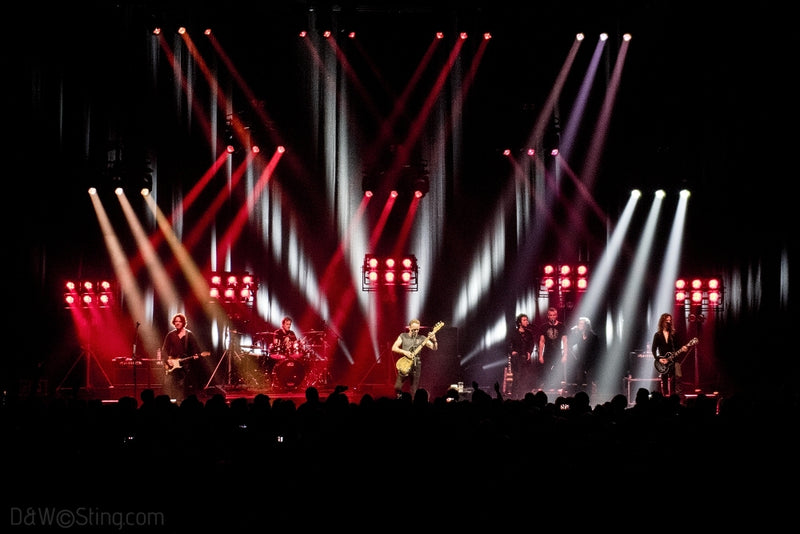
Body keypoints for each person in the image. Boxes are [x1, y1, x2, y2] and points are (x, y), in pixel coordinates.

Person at [160, 313, 206, 403]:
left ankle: (181, 403)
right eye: (176, 321)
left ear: (183, 323)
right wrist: (168, 360)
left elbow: (195, 349)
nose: (177, 323)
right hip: (172, 364)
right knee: (169, 384)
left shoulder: (189, 335)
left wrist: (196, 355)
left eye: (179, 321)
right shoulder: (170, 335)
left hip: (185, 365)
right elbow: (164, 350)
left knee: (182, 385)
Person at [392, 319, 438, 398]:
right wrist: (405, 352)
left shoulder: (422, 338)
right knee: (397, 387)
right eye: (414, 329)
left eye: (417, 329)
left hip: (416, 366)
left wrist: (434, 340)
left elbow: (434, 348)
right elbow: (394, 348)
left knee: (414, 390)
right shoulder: (403, 336)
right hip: (405, 365)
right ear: (409, 328)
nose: (416, 331)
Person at [651, 312, 684, 397]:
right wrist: (658, 359)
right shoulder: (657, 335)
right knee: (664, 379)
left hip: (673, 360)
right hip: (662, 361)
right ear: (662, 322)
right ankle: (664, 396)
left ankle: (673, 397)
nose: (669, 322)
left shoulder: (673, 334)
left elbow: (678, 347)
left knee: (674, 380)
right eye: (667, 321)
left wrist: (683, 349)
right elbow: (653, 349)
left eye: (670, 320)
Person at [538, 307, 568, 392]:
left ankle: (557, 385)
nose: (552, 317)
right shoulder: (544, 327)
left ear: (556, 315)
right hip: (547, 351)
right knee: (547, 369)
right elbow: (541, 342)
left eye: (554, 315)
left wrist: (565, 354)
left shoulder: (562, 326)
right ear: (548, 316)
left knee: (557, 369)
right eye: (550, 315)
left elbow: (565, 341)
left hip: (557, 352)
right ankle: (548, 385)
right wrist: (540, 355)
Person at [569, 316, 600, 395]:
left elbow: (596, 351)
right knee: (579, 380)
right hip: (581, 361)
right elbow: (571, 344)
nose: (579, 325)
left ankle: (588, 398)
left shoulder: (593, 336)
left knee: (589, 381)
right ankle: (579, 396)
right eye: (579, 323)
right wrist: (573, 332)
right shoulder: (578, 335)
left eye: (581, 324)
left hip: (590, 362)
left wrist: (591, 363)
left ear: (586, 325)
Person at [508, 313, 536, 398]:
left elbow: (531, 344)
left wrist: (529, 352)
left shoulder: (529, 333)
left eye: (527, 320)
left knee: (524, 378)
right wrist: (512, 351)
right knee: (516, 377)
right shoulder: (514, 333)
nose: (526, 322)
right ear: (519, 322)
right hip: (516, 359)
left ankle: (522, 396)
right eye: (524, 320)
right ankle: (513, 396)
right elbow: (508, 344)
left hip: (525, 358)